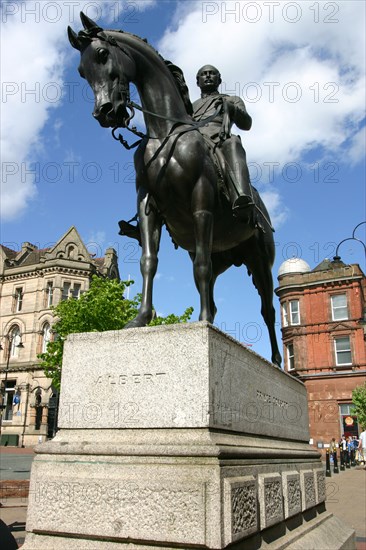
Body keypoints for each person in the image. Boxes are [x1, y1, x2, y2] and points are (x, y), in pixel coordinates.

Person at [192, 65, 255, 222]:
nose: (208, 76)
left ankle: (241, 197)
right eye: (203, 74)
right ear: (197, 81)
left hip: (219, 140)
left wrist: (232, 109)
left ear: (219, 79)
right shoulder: (190, 107)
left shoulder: (232, 99)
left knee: (233, 142)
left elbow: (246, 124)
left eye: (212, 74)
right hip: (194, 141)